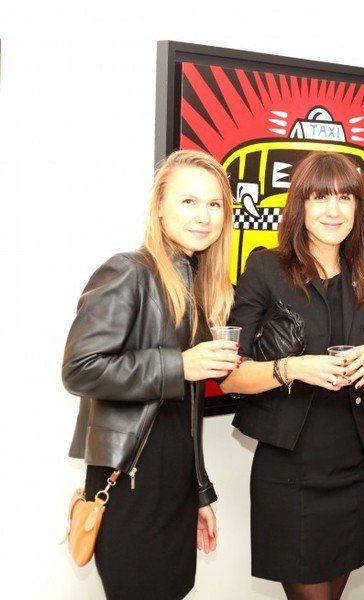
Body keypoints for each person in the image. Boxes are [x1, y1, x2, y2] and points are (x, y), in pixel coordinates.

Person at [63, 150, 237, 599]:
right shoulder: (128, 271)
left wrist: (198, 492)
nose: (203, 216)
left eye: (214, 204)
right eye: (188, 201)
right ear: (159, 207)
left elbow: (182, 418)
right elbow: (80, 368)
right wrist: (181, 364)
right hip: (129, 486)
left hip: (173, 486)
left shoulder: (198, 284)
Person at [220, 153, 364, 600]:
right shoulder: (266, 269)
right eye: (320, 197)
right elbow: (230, 377)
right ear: (300, 205)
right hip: (289, 472)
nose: (334, 210)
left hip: (353, 468)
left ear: (358, 208)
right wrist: (293, 368)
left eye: (345, 198)